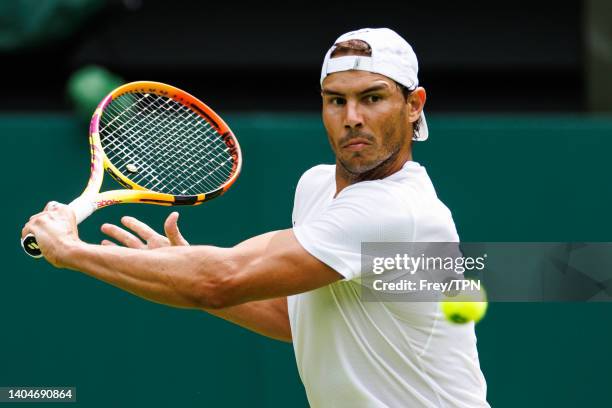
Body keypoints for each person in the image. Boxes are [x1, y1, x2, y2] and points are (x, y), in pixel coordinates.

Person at [22, 28, 489, 407]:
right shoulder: (316, 186)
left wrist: (70, 251)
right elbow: (295, 318)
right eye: (335, 99)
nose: (351, 117)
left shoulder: (397, 212)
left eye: (372, 98)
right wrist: (176, 267)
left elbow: (220, 279)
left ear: (413, 106)